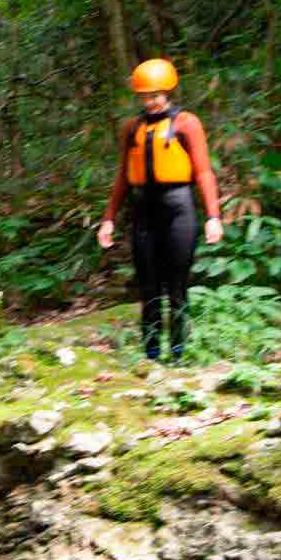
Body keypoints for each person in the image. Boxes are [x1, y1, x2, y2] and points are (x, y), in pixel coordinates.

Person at [97, 58, 223, 362]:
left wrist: (213, 216)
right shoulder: (132, 128)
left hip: (179, 210)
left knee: (177, 286)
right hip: (143, 213)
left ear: (168, 92)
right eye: (144, 97)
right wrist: (108, 220)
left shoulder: (186, 123)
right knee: (149, 287)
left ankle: (178, 355)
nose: (150, 102)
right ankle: (151, 356)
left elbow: (204, 172)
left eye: (155, 96)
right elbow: (123, 177)